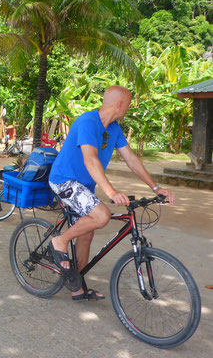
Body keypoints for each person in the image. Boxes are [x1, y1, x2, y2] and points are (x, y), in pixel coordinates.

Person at [47, 85, 175, 301]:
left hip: (84, 187)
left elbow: (131, 159)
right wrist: (111, 191)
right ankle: (59, 242)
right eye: (129, 103)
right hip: (64, 181)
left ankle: (76, 286)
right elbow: (90, 159)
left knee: (86, 235)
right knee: (102, 215)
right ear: (119, 104)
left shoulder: (114, 129)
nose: (129, 107)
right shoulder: (88, 122)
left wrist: (155, 188)